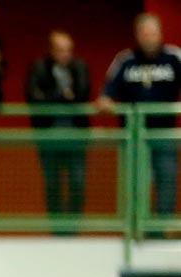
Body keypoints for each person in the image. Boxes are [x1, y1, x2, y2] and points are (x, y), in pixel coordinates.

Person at [98, 14, 181, 220]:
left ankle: (161, 230)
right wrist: (105, 100)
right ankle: (136, 231)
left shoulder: (174, 57)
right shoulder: (125, 60)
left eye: (153, 33)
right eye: (144, 33)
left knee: (167, 181)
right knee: (135, 185)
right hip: (133, 137)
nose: (149, 38)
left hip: (164, 136)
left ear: (160, 34)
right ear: (137, 35)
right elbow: (107, 92)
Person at [26, 30, 92, 226]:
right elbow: (34, 98)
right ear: (51, 50)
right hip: (48, 134)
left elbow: (82, 94)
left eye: (68, 50)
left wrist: (55, 96)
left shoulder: (79, 67)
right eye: (61, 50)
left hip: (76, 135)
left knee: (77, 181)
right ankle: (56, 225)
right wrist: (60, 94)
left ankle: (73, 225)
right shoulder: (39, 68)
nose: (65, 54)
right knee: (53, 183)